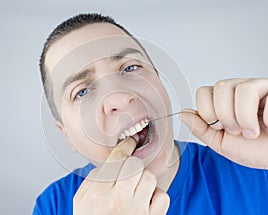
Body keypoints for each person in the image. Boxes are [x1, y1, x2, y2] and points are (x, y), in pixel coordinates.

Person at [33, 13, 268, 215]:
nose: (118, 97)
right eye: (82, 91)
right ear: (67, 136)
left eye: (130, 67)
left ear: (159, 81)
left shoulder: (254, 170)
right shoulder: (53, 206)